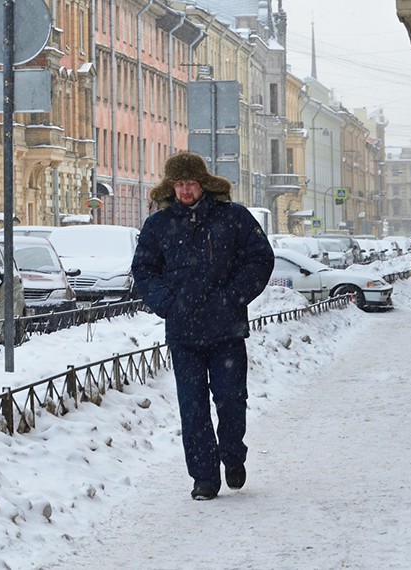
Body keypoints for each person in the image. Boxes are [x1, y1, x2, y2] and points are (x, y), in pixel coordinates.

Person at [131, 151, 275, 501]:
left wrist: (234, 297)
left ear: (203, 184)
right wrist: (167, 303)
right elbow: (144, 271)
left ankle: (232, 454)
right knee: (192, 408)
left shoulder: (233, 218)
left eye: (191, 183)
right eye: (179, 184)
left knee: (230, 401)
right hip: (184, 334)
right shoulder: (159, 225)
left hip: (227, 330)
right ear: (171, 186)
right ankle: (204, 478)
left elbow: (261, 259)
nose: (185, 190)